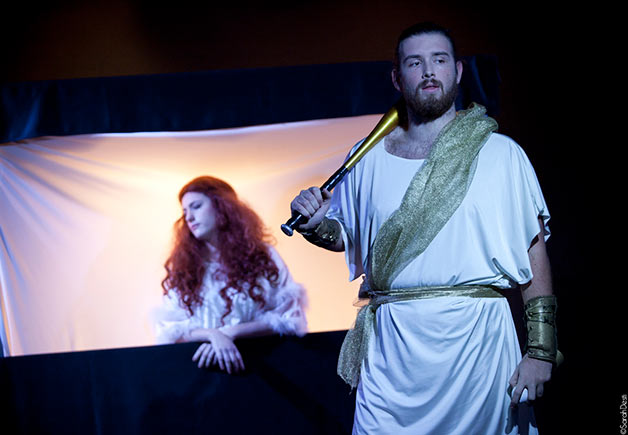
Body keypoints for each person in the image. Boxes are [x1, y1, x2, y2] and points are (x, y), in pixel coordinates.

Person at [289, 22, 559, 434]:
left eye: (439, 60)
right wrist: (315, 226)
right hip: (392, 351)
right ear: (397, 77)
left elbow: (532, 247)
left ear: (458, 71)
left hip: (477, 345)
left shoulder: (501, 154)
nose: (429, 71)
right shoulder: (366, 158)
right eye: (415, 63)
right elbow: (348, 235)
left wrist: (541, 349)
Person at [155, 176, 307, 374]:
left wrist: (230, 333)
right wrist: (213, 336)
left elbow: (289, 316)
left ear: (221, 206)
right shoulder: (184, 266)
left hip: (258, 367)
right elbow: (169, 327)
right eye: (185, 212)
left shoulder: (263, 256)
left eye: (196, 206)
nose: (189, 217)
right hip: (200, 371)